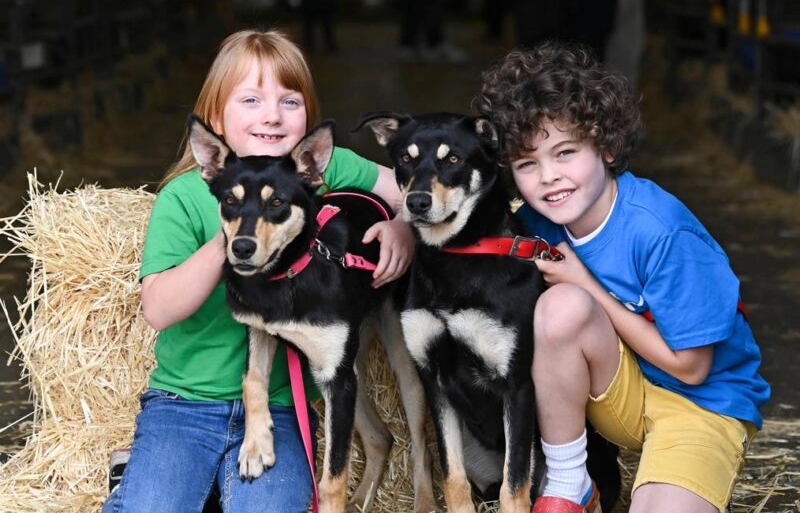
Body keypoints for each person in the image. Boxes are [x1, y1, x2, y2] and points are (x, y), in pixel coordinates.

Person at [102, 29, 414, 513]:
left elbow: (410, 192)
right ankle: (150, 473)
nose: (272, 115)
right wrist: (233, 236)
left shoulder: (316, 169)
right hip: (184, 403)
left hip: (283, 410)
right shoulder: (184, 197)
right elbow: (159, 310)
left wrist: (402, 227)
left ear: (309, 128)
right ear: (214, 124)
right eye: (251, 99)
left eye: (289, 102)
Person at [474, 43, 770, 513]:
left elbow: (692, 367)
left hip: (701, 403)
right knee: (560, 307)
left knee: (571, 295)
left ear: (606, 146)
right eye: (527, 164)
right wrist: (398, 226)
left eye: (565, 152)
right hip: (620, 389)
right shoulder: (536, 218)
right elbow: (448, 210)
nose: (549, 177)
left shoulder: (664, 232)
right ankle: (570, 481)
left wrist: (587, 284)